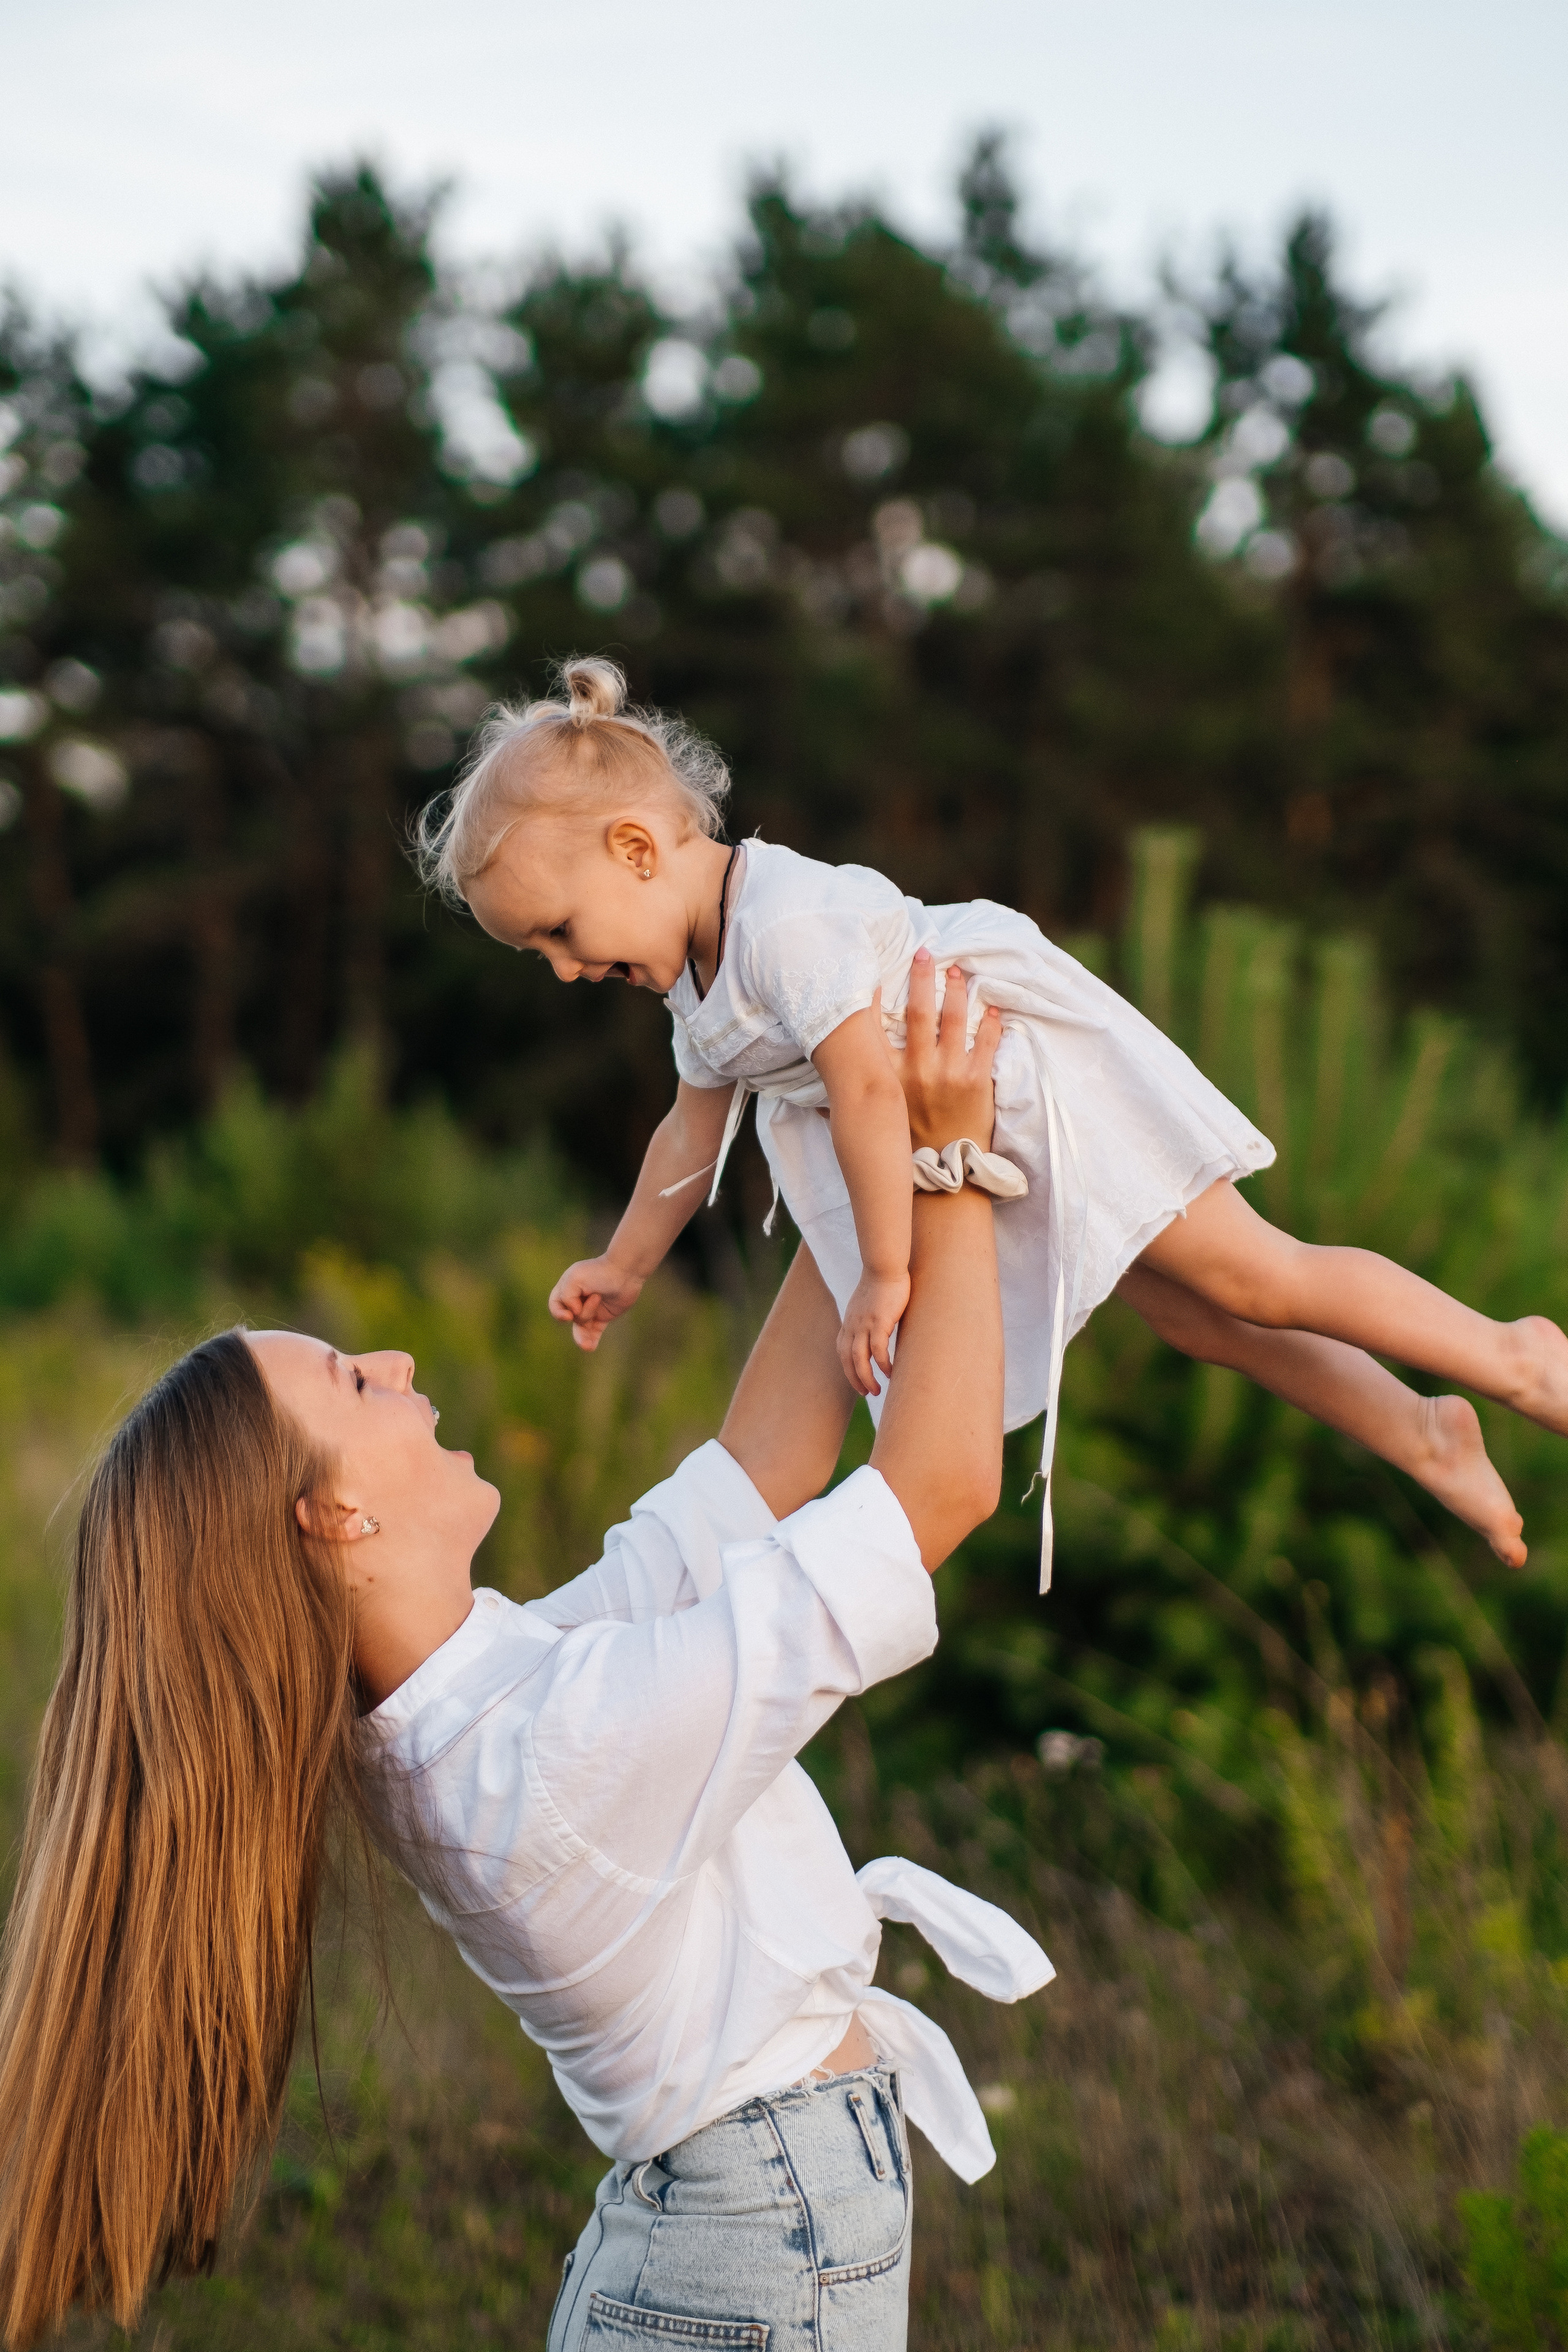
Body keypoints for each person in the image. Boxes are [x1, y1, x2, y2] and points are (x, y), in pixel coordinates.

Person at [0, 959, 1050, 2352]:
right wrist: (953, 1159)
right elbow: (940, 1490)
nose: (394, 1362)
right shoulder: (544, 1761)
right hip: (753, 2260)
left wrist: (841, 1107)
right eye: (352, 1382)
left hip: (724, 2246)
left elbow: (758, 1469)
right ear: (334, 1516)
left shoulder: (480, 1705)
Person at [415, 655, 1568, 1581]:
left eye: (562, 933)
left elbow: (871, 1089)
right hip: (939, 1120)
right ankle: (1420, 1431)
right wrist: (624, 1263)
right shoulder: (694, 976)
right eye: (540, 955)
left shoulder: (784, 929)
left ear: (634, 850)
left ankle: (1511, 1356)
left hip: (1014, 1075)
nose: (564, 971)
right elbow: (690, 1128)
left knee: (1256, 1277)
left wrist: (882, 1272)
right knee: (1193, 1315)